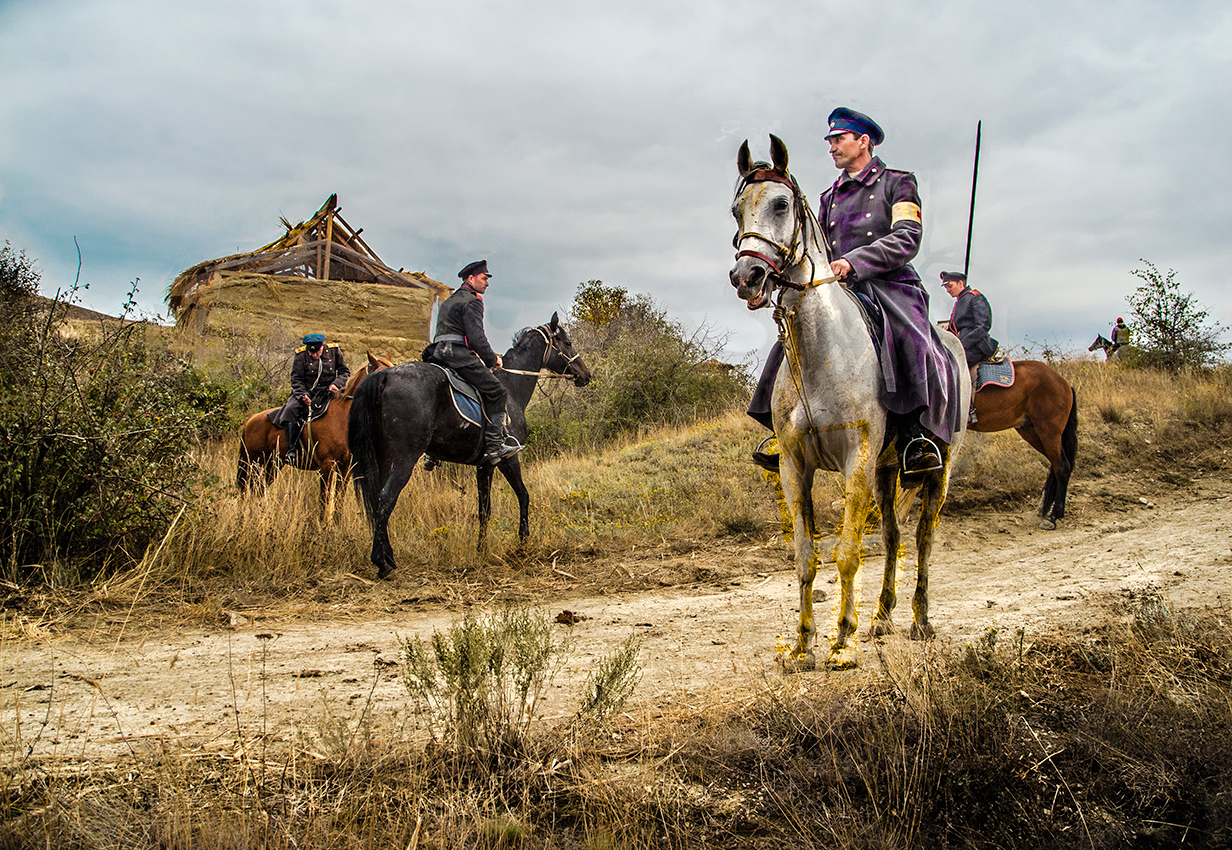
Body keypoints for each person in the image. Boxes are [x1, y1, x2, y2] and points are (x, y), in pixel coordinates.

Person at [748, 107, 961, 475]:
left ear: (863, 141)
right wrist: (774, 281)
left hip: (890, 284)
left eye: (838, 139)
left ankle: (915, 436)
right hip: (838, 288)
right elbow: (812, 250)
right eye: (830, 140)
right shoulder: (827, 197)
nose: (831, 147)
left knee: (915, 342)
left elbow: (907, 238)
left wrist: (855, 261)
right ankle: (778, 429)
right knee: (790, 341)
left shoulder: (898, 182)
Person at [422, 259, 521, 464]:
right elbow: (476, 338)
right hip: (457, 355)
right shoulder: (472, 300)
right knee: (497, 391)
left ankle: (431, 452)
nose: (487, 283)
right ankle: (494, 447)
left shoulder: (449, 300)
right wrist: (492, 359)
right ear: (471, 278)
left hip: (438, 354)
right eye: (484, 278)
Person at [277, 332, 350, 465]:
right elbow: (296, 379)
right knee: (290, 410)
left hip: (329, 393)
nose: (312, 355)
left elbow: (345, 372)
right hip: (307, 393)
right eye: (310, 352)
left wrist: (336, 384)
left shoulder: (334, 351)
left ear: (322, 347)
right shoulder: (300, 355)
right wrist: (302, 395)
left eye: (315, 352)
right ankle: (291, 449)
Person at [941, 270, 998, 423]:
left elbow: (983, 325)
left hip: (977, 346)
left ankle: (967, 409)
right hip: (962, 345)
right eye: (945, 287)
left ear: (961, 283)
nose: (947, 289)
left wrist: (962, 344)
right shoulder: (960, 301)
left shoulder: (975, 297)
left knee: (952, 367)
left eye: (949, 285)